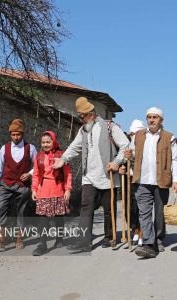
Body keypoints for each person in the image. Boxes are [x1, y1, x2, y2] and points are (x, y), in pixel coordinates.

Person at [52, 97, 129, 252]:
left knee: (109, 209)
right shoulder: (83, 130)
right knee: (86, 207)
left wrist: (117, 162)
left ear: (92, 115)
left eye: (83, 116)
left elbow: (125, 145)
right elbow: (74, 147)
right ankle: (84, 241)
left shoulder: (110, 127)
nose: (81, 119)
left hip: (108, 177)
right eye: (80, 116)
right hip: (89, 177)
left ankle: (110, 236)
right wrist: (63, 159)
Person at [125, 107, 177, 258]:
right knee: (144, 213)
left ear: (161, 120)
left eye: (155, 117)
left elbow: (175, 160)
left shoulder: (170, 137)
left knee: (160, 213)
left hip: (161, 181)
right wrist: (129, 155)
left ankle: (159, 238)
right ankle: (149, 243)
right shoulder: (138, 136)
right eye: (149, 117)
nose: (151, 120)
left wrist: (176, 180)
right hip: (142, 181)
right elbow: (133, 155)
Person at [0, 119, 37, 251]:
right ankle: (0, 241)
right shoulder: (4, 148)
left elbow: (38, 165)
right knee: (0, 210)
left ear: (23, 134)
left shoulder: (30, 148)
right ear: (10, 134)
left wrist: (30, 174)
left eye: (18, 134)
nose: (16, 137)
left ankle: (19, 239)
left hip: (23, 186)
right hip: (6, 184)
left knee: (21, 211)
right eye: (13, 134)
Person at [31, 131, 72, 256]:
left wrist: (68, 189)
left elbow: (67, 174)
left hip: (58, 189)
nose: (45, 144)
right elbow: (36, 175)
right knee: (43, 219)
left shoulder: (61, 155)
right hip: (43, 190)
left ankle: (59, 239)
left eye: (48, 142)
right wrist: (34, 189)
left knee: (58, 217)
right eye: (43, 142)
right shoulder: (38, 156)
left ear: (53, 141)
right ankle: (42, 244)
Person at [119, 119, 145, 246]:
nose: (134, 136)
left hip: (141, 180)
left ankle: (142, 232)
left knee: (140, 208)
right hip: (128, 179)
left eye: (136, 133)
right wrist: (122, 166)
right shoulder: (128, 146)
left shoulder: (145, 146)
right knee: (129, 207)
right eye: (132, 134)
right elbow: (122, 160)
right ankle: (134, 229)